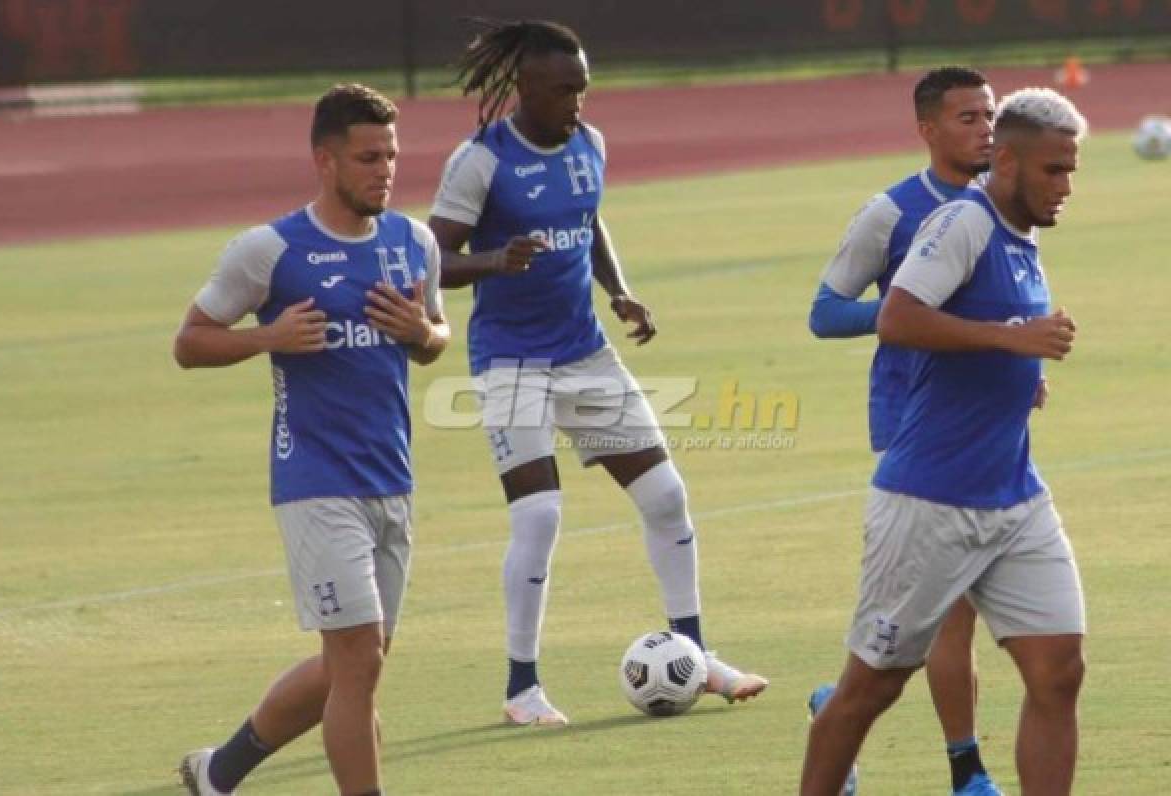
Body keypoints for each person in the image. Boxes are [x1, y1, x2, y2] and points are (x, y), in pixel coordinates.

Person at [427, 18, 766, 726]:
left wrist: (618, 289)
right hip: (511, 363)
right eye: (562, 91)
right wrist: (494, 261)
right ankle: (522, 688)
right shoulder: (480, 161)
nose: (576, 104)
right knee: (541, 514)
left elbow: (589, 219)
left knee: (667, 497)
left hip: (584, 354)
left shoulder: (590, 145)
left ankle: (696, 660)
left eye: (583, 89)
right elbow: (430, 260)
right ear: (523, 88)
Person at [800, 86, 1087, 795]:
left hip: (1015, 497)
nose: (1067, 186)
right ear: (1011, 164)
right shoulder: (963, 221)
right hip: (929, 502)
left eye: (1072, 170)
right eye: (1055, 170)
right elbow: (898, 317)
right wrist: (1008, 339)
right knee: (871, 690)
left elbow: (992, 333)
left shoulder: (1023, 237)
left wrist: (1020, 371)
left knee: (1059, 672)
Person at [173, 83, 449, 796]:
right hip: (315, 483)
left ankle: (218, 771)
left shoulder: (412, 241)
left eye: (390, 155)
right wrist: (269, 337)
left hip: (393, 478)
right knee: (359, 661)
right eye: (367, 157)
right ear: (324, 161)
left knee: (353, 665)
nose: (384, 169)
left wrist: (421, 333)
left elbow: (435, 338)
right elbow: (190, 341)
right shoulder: (270, 249)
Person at [807, 66, 1004, 795]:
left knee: (922, 619)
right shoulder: (891, 213)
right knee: (953, 613)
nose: (985, 128)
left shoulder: (1004, 208)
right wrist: (904, 311)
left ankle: (837, 709)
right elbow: (826, 311)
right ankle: (969, 774)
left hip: (987, 428)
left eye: (990, 114)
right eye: (967, 118)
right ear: (927, 129)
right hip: (913, 428)